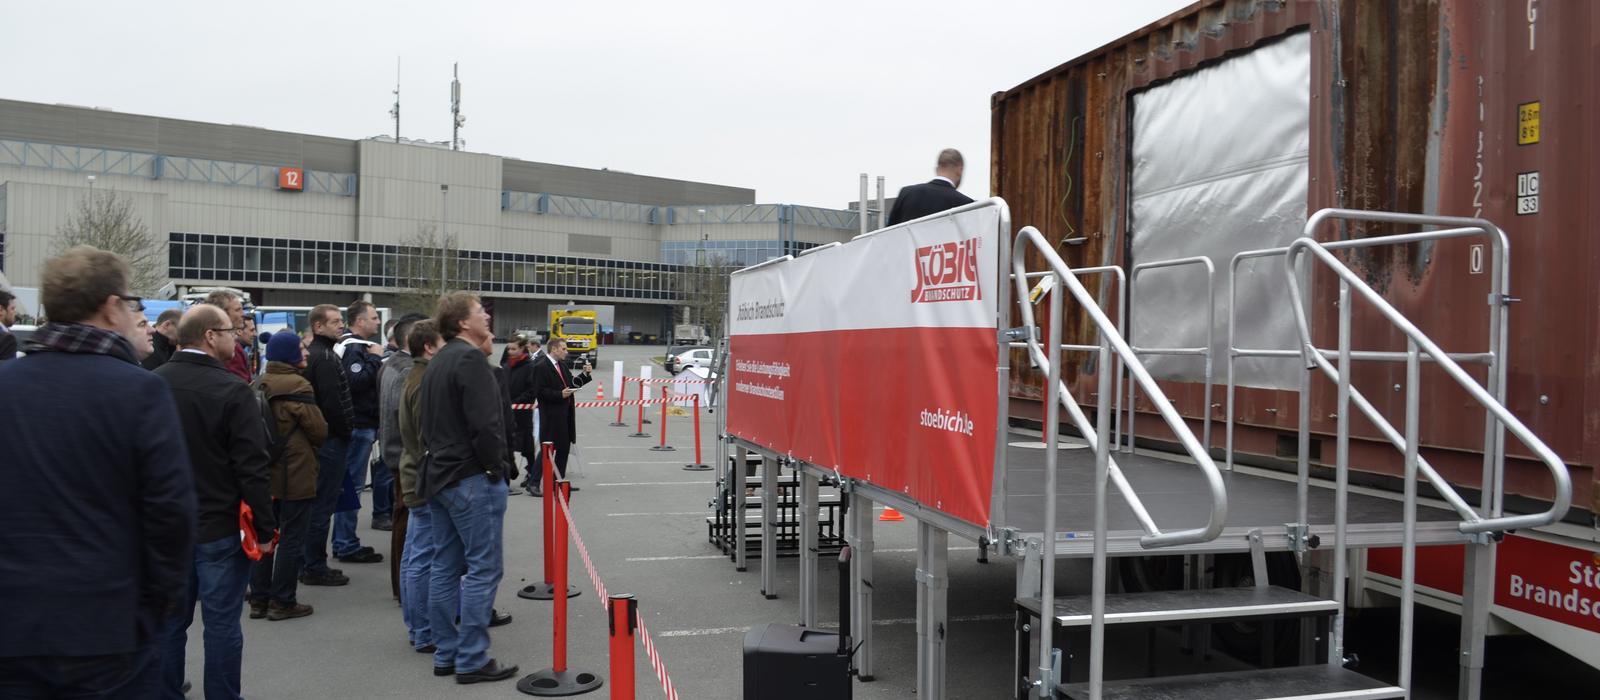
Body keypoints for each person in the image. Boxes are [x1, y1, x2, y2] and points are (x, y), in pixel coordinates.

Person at [0, 246, 195, 699]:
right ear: (110, 308)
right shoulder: (139, 391)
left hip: (13, 628)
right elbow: (171, 514)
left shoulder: (6, 386)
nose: (134, 315)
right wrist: (154, 606)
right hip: (105, 630)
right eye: (131, 304)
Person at [153, 304, 277, 700]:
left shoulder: (152, 383)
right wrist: (265, 527)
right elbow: (252, 468)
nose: (238, 335)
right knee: (222, 625)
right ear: (210, 336)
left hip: (165, 529)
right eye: (232, 329)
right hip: (220, 527)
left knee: (170, 623)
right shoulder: (232, 390)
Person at [419, 292, 518, 683]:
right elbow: (486, 425)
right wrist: (499, 469)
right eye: (480, 312)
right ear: (462, 322)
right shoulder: (469, 359)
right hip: (470, 477)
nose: (487, 317)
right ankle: (472, 658)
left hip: (441, 476)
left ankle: (447, 652)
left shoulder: (439, 361)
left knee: (444, 567)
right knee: (483, 568)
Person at [248, 331, 328, 622]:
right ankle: (282, 601)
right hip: (294, 471)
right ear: (289, 355)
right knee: (292, 537)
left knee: (265, 534)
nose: (306, 353)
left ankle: (258, 598)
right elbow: (318, 430)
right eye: (301, 349)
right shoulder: (297, 383)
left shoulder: (257, 381)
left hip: (263, 472)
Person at [301, 304, 361, 587]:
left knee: (319, 506)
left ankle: (311, 562)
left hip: (326, 441)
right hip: (330, 442)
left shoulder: (320, 354)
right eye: (335, 321)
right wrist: (346, 431)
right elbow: (331, 404)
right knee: (322, 506)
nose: (341, 325)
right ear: (318, 327)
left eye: (341, 321)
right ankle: (313, 566)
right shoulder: (323, 357)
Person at [398, 319, 444, 654]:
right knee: (422, 559)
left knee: (414, 557)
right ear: (429, 347)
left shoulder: (415, 375)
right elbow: (429, 439)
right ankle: (423, 630)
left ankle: (418, 628)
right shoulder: (426, 380)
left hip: (416, 475)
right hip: (425, 480)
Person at [338, 300, 393, 541]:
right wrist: (374, 359)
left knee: (350, 485)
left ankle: (344, 540)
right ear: (359, 321)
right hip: (358, 425)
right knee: (353, 486)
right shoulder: (354, 348)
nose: (378, 322)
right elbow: (356, 382)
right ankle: (346, 542)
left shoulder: (360, 347)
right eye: (373, 318)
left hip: (363, 424)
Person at [378, 314, 419, 596]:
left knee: (401, 520)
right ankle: (404, 589)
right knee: (406, 525)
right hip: (403, 455)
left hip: (395, 452)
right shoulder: (406, 368)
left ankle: (402, 587)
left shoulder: (394, 363)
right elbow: (406, 419)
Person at [524, 337, 592, 491]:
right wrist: (559, 395)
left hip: (565, 413)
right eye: (564, 349)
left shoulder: (561, 365)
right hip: (551, 414)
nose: (566, 352)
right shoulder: (540, 366)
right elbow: (539, 391)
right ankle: (533, 483)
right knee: (548, 449)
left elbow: (571, 384)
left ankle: (558, 482)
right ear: (553, 349)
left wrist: (585, 375)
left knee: (563, 447)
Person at [886, 148, 975, 226]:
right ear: (960, 170)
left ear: (937, 170)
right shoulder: (965, 204)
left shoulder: (905, 193)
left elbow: (888, 235)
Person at [506, 338, 541, 494]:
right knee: (507, 444)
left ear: (522, 349)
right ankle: (509, 473)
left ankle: (532, 473)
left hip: (523, 411)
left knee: (526, 445)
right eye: (509, 349)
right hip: (508, 411)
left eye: (513, 349)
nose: (510, 352)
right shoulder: (507, 366)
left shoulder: (529, 366)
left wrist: (518, 402)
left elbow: (532, 389)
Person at [202, 290, 253, 382]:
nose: (243, 314)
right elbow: (241, 388)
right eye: (237, 310)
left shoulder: (201, 341)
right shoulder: (229, 346)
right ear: (222, 314)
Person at [0, 285, 17, 362]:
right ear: (1, 309)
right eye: (12, 309)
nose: (15, 313)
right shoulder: (6, 339)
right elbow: (7, 372)